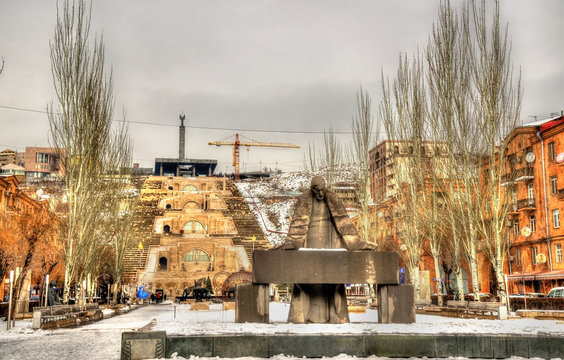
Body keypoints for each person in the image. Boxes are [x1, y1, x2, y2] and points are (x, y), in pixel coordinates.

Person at [272, 176, 376, 323]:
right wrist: (289, 243)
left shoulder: (332, 198)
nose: (320, 193)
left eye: (322, 190)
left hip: (330, 242)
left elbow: (343, 221)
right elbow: (297, 224)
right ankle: (304, 316)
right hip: (309, 243)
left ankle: (335, 316)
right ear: (312, 189)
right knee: (306, 280)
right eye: (317, 190)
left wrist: (356, 243)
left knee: (333, 281)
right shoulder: (304, 199)